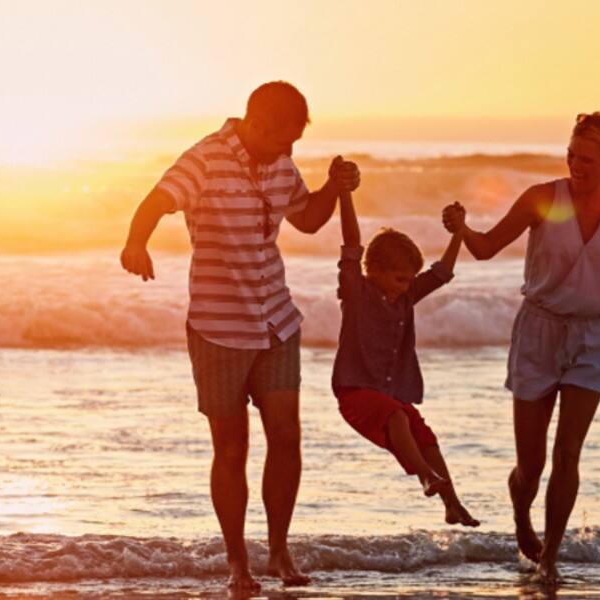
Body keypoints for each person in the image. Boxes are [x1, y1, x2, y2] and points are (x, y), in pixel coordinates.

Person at [119, 81, 360, 592]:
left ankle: (278, 552)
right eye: (283, 140)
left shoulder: (280, 163)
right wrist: (135, 242)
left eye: (296, 142)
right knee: (231, 450)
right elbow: (157, 200)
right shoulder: (204, 159)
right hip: (218, 328)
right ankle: (238, 564)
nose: (289, 151)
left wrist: (335, 188)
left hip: (276, 320)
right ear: (255, 124)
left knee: (287, 438)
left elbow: (311, 220)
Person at [440, 112, 600, 584]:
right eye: (571, 154)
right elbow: (486, 248)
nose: (576, 164)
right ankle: (522, 518)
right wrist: (461, 228)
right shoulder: (544, 199)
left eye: (587, 158)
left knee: (569, 453)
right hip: (539, 333)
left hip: (593, 337)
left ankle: (550, 557)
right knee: (532, 466)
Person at [331, 182, 481, 528]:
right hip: (355, 393)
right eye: (399, 279)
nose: (405, 286)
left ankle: (453, 504)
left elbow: (442, 272)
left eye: (409, 280)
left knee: (426, 437)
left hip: (388, 397)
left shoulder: (407, 294)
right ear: (375, 271)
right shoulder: (357, 292)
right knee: (398, 416)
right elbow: (352, 246)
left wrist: (458, 232)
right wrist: (345, 194)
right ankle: (426, 478)